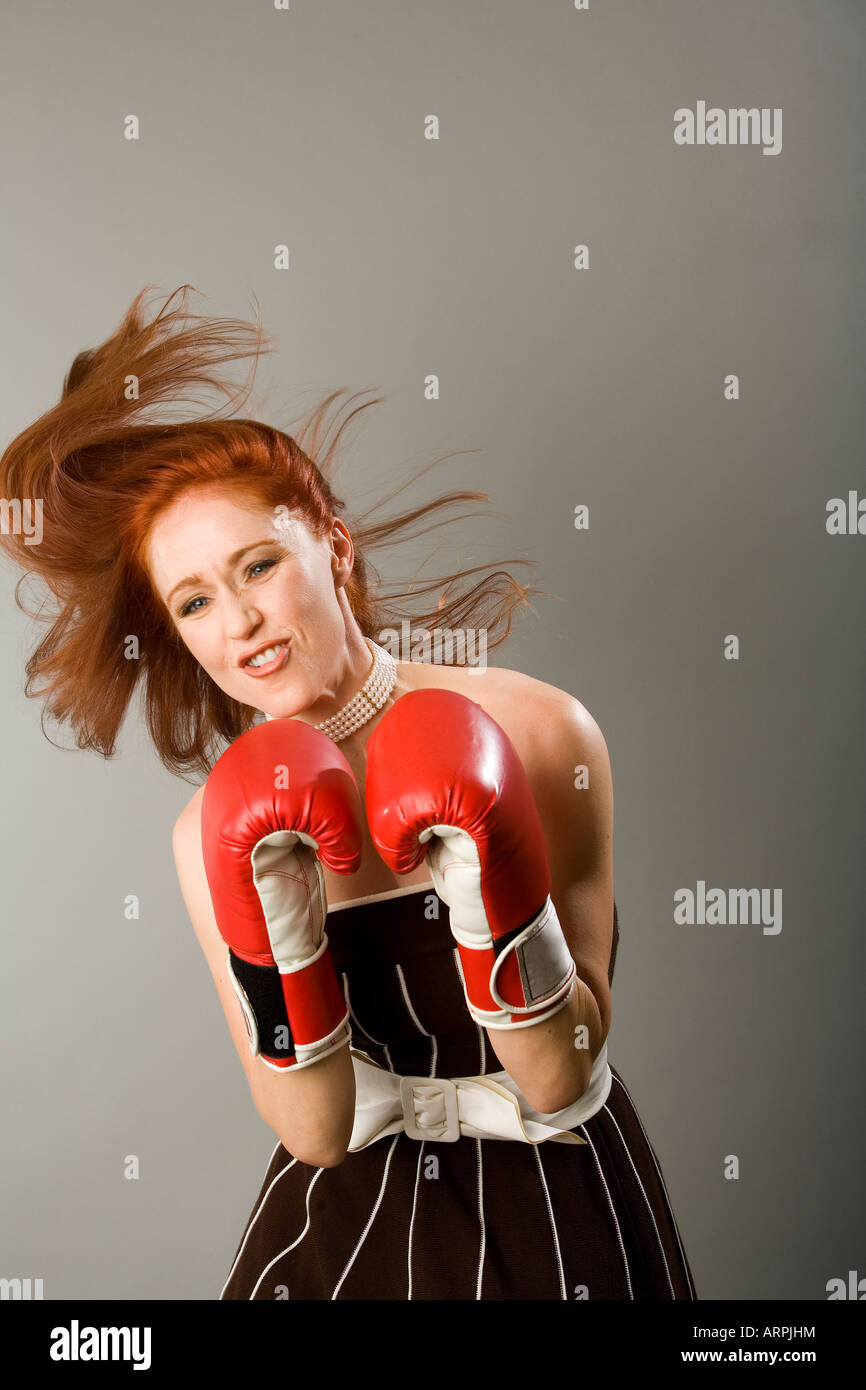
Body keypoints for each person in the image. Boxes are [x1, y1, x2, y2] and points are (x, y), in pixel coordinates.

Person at [0, 284, 697, 1301]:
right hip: (351, 1215)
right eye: (195, 600)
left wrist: (485, 893)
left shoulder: (542, 730)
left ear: (330, 542)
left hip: (553, 1197)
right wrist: (282, 932)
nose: (238, 620)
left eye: (258, 565)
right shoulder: (210, 833)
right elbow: (313, 1129)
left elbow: (562, 1075)